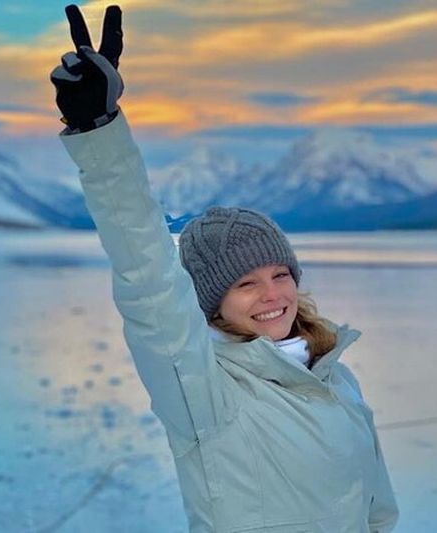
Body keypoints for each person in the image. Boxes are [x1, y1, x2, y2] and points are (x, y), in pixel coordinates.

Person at [50, 4, 399, 531]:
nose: (272, 294)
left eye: (280, 275)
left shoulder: (333, 373)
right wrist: (99, 132)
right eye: (245, 283)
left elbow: (377, 510)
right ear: (212, 302)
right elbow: (147, 277)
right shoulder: (204, 390)